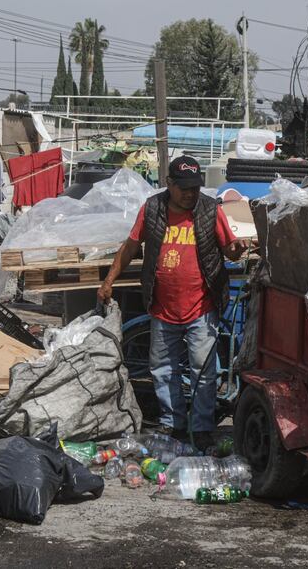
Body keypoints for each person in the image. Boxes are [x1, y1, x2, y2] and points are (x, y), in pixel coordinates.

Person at [98, 156, 252, 450]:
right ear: (169, 184)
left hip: (201, 307)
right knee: (163, 370)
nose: (190, 193)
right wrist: (109, 281)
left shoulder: (210, 210)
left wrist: (237, 248)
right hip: (162, 307)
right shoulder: (152, 208)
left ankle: (203, 428)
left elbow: (230, 251)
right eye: (183, 188)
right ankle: (174, 424)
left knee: (202, 373)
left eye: (194, 187)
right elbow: (131, 245)